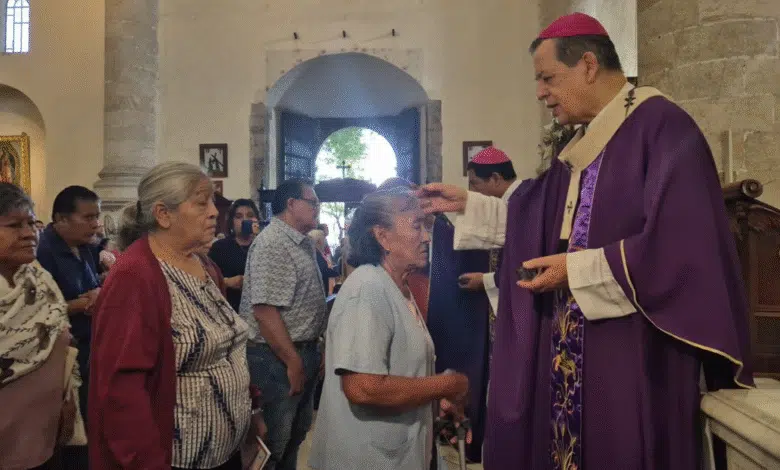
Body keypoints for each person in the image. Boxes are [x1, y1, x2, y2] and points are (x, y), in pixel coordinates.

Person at [418, 12, 753, 470]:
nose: (540, 92)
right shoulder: (584, 144)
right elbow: (537, 216)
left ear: (589, 65)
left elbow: (681, 249)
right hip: (572, 352)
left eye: (547, 77)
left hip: (634, 353)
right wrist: (466, 203)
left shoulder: (663, 129)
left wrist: (574, 270)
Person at [89, 162, 262, 470]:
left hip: (226, 451)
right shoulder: (135, 276)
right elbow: (121, 391)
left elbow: (227, 348)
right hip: (178, 457)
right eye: (201, 202)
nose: (213, 212)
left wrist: (251, 409)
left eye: (212, 201)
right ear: (163, 214)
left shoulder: (206, 265)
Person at [308, 188, 470, 470]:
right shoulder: (367, 287)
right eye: (417, 226)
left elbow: (401, 369)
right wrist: (447, 384)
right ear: (382, 236)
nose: (427, 238)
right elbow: (363, 388)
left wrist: (432, 398)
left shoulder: (398, 285)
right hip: (366, 457)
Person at [239, 179, 327, 470]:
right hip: (274, 358)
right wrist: (292, 361)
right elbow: (265, 311)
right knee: (274, 443)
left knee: (295, 436)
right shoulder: (273, 244)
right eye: (312, 202)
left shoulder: (301, 242)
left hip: (299, 352)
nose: (318, 208)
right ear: (291, 204)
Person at [0, 182, 82, 469]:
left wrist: (68, 397)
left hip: (46, 433)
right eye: (14, 225)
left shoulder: (39, 278)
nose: (29, 233)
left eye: (31, 223)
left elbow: (63, 342)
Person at [36, 185, 101, 468]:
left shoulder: (84, 247)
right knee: (70, 433)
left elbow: (93, 287)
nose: (96, 224)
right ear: (61, 219)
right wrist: (81, 304)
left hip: (90, 347)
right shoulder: (43, 251)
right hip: (62, 355)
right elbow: (39, 310)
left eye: (96, 217)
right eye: (88, 217)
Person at [457, 147, 522, 314]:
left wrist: (485, 281)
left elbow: (521, 268)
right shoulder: (509, 202)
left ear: (495, 178)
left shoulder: (521, 204)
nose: (472, 191)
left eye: (475, 183)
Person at [208, 198, 262, 311]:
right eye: (239, 216)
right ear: (232, 222)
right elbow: (206, 280)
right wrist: (227, 282)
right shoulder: (220, 248)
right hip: (230, 309)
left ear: (256, 219)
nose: (245, 220)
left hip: (260, 309)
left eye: (250, 215)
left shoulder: (263, 245)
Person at [307, 229, 338, 296]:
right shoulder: (316, 255)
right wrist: (336, 273)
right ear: (318, 241)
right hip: (324, 291)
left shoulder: (318, 253)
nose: (325, 242)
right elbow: (324, 271)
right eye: (324, 239)